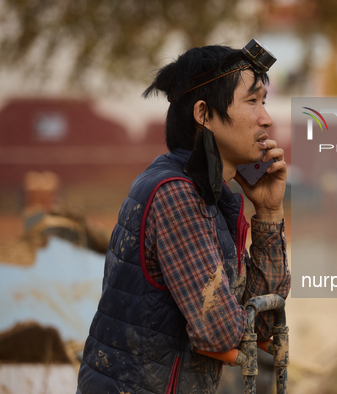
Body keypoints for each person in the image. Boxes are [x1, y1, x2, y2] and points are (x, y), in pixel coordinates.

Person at [77, 41, 291, 393]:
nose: (266, 118)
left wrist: (268, 212)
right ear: (204, 114)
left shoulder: (212, 198)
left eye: (263, 102)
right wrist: (246, 324)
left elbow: (262, 325)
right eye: (252, 101)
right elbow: (221, 331)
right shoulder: (176, 195)